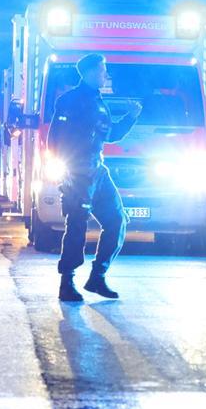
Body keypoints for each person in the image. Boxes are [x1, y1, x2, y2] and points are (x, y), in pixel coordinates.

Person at [48, 53, 142, 302]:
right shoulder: (69, 101)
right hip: (77, 173)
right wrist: (64, 172)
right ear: (89, 72)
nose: (105, 74)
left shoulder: (99, 101)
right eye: (102, 71)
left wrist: (131, 117)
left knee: (117, 220)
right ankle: (67, 281)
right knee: (77, 225)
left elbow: (109, 135)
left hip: (97, 171)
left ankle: (97, 277)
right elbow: (54, 139)